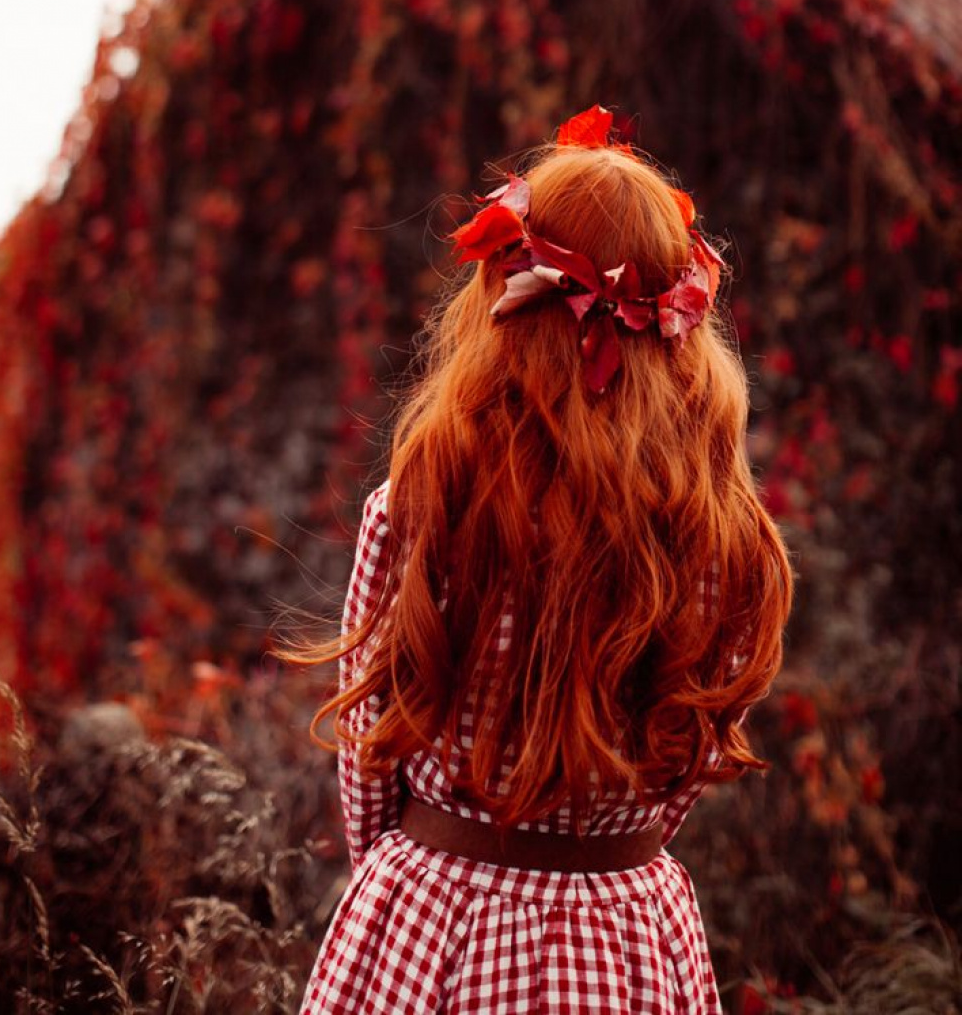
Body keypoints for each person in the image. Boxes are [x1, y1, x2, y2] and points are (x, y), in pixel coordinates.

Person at [285, 104, 793, 1014]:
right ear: (679, 322)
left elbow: (370, 761)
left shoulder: (418, 510)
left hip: (430, 916)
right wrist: (604, 850)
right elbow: (684, 765)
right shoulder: (724, 541)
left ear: (501, 301)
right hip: (630, 931)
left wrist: (405, 882)